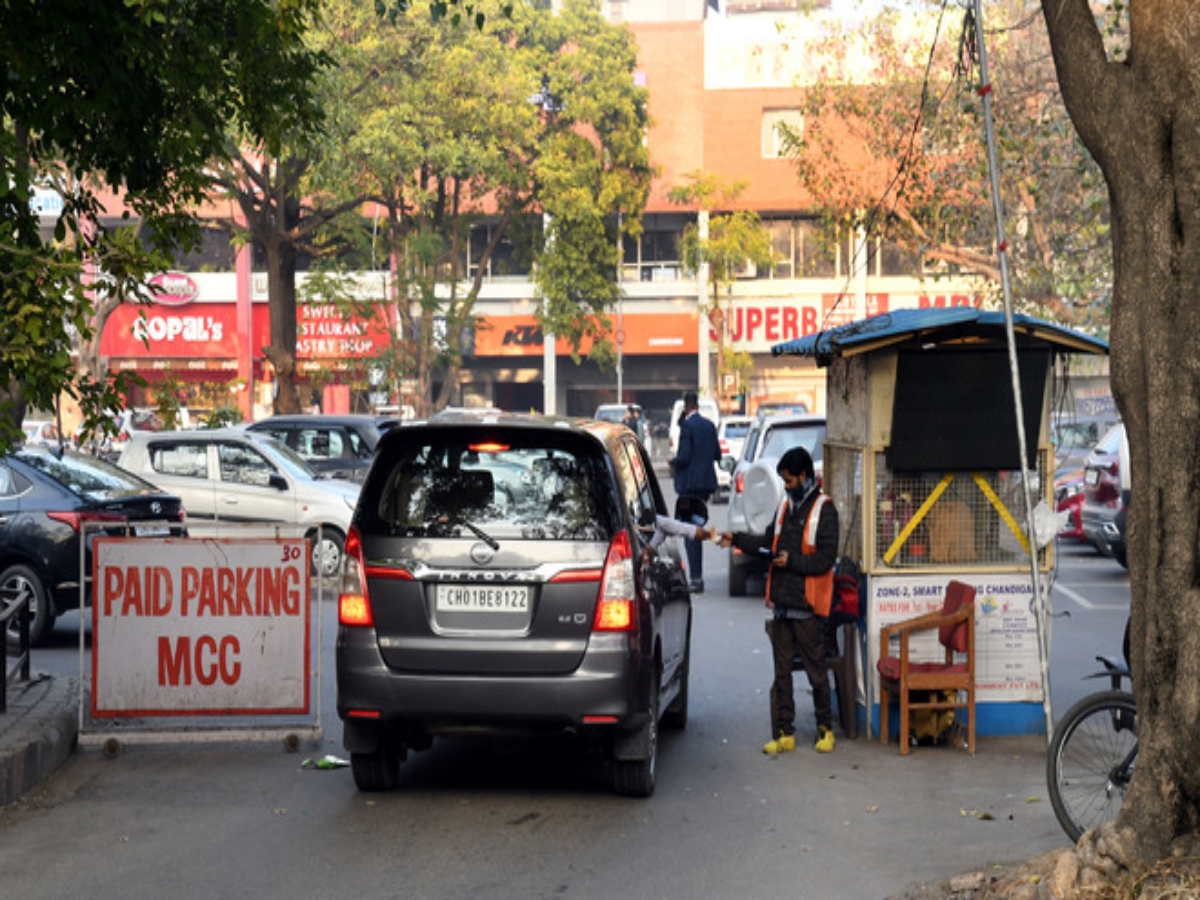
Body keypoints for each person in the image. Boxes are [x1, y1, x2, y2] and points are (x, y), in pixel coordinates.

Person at [716, 445, 839, 755]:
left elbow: (825, 559)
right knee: (781, 673)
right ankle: (784, 732)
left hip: (808, 607)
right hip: (782, 603)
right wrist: (738, 539)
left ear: (804, 476)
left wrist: (791, 562)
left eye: (790, 481)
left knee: (815, 672)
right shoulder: (785, 507)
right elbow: (768, 541)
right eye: (783, 481)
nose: (786, 486)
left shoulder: (825, 509)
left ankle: (826, 730)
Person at [669, 390, 720, 593]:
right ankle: (697, 577)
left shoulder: (687, 426)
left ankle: (696, 578)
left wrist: (673, 461)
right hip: (705, 485)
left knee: (691, 532)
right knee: (696, 527)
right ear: (697, 405)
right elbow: (717, 453)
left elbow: (685, 456)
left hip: (690, 485)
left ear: (685, 406)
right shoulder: (709, 425)